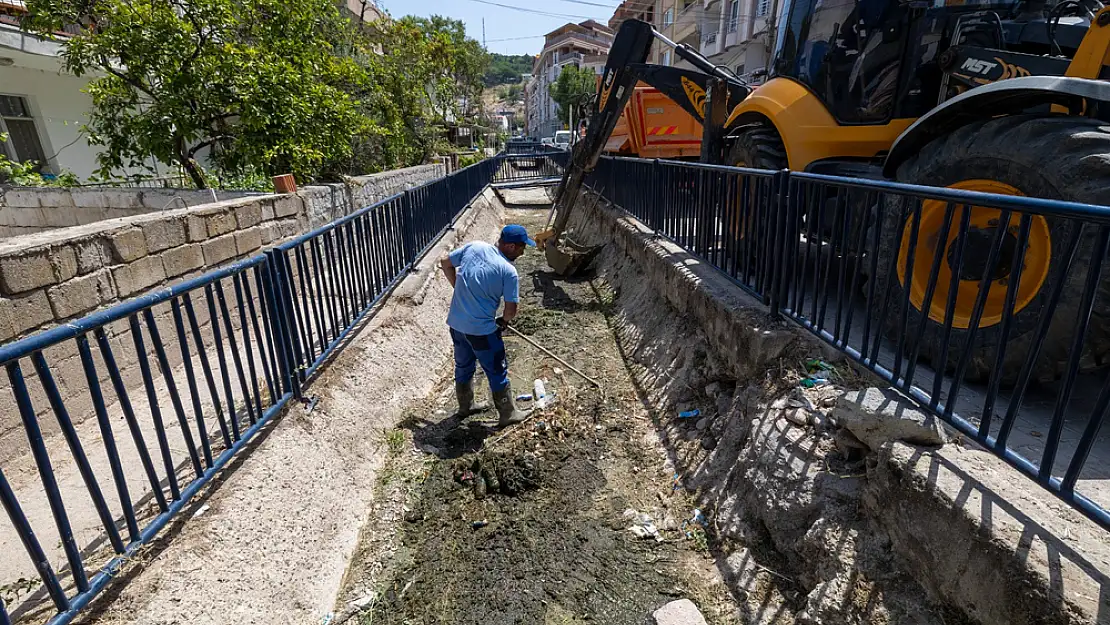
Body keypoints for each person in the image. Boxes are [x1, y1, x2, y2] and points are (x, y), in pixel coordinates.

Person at [439, 225, 535, 426]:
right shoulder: (508, 271)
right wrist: (504, 322)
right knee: (497, 370)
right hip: (481, 331)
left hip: (456, 325)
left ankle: (466, 406)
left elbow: (445, 263)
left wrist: (459, 288)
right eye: (521, 247)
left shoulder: (474, 247)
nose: (522, 252)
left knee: (463, 365)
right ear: (510, 246)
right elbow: (510, 310)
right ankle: (508, 413)